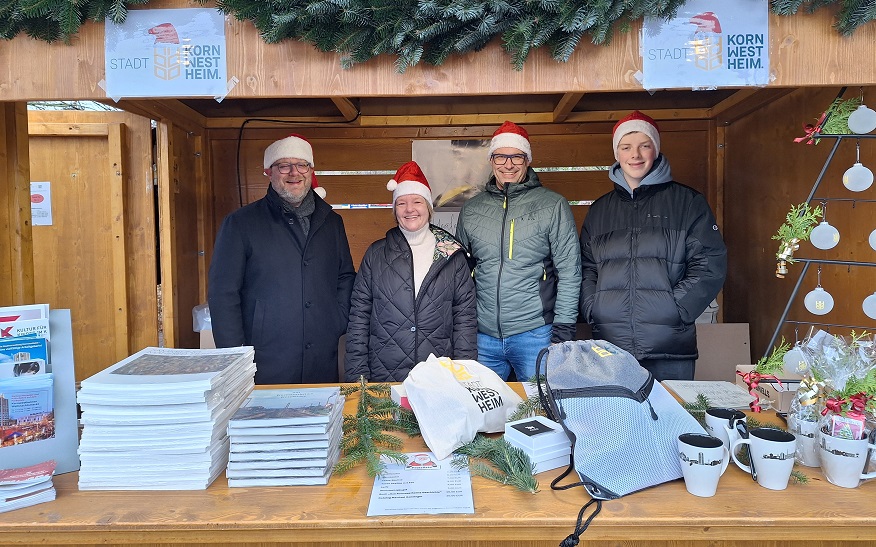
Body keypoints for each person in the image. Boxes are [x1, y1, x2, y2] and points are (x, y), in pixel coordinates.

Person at [579, 111, 728, 381]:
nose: (635, 154)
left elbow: (709, 264)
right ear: (617, 153)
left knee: (671, 421)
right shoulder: (600, 211)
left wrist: (674, 309)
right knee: (616, 422)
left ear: (655, 150)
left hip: (669, 347)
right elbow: (587, 267)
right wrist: (595, 308)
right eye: (626, 147)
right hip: (611, 346)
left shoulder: (687, 203)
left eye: (644, 145)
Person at [208, 133, 356, 384]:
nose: (293, 173)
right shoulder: (241, 223)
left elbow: (344, 276)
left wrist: (336, 318)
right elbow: (223, 292)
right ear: (269, 171)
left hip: (321, 355)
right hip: (265, 358)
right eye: (284, 165)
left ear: (311, 170)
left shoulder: (332, 222)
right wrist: (233, 356)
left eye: (301, 165)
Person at [456, 121, 581, 382]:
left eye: (517, 157)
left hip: (536, 333)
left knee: (543, 412)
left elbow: (570, 271)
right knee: (483, 417)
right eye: (501, 156)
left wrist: (564, 329)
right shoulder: (471, 210)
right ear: (492, 160)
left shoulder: (553, 205)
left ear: (527, 161)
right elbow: (459, 274)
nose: (508, 164)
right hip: (483, 336)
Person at [345, 161, 477, 382]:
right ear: (394, 210)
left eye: (417, 201)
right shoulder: (376, 255)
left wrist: (464, 374)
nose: (410, 209)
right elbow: (359, 318)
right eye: (401, 203)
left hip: (439, 376)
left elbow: (465, 319)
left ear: (428, 207)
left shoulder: (451, 255)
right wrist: (357, 377)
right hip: (385, 375)